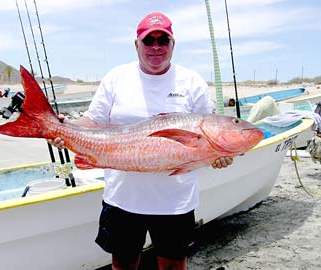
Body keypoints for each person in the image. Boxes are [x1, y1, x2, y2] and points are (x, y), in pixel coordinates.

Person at [51, 12, 233, 270]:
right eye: (149, 41)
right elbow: (93, 121)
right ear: (137, 44)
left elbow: (208, 132)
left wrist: (218, 156)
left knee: (173, 264)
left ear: (173, 44)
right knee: (123, 264)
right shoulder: (117, 77)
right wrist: (64, 129)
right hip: (123, 197)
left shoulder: (192, 82)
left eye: (163, 40)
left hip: (175, 201)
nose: (156, 47)